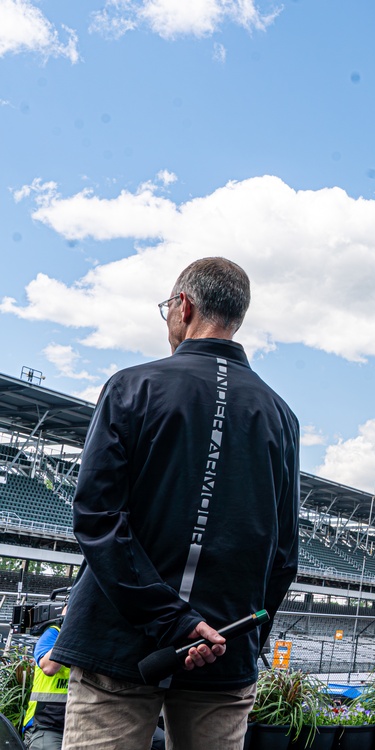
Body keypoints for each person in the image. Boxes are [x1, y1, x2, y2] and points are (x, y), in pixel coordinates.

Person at [51, 258, 301, 750]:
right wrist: (233, 633)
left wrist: (173, 622)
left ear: (183, 307)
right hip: (222, 650)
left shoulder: (133, 385)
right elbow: (284, 554)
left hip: (118, 642)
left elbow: (98, 518)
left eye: (167, 307)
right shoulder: (281, 416)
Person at [24, 603, 70, 749]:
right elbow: (49, 667)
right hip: (45, 724)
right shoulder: (53, 632)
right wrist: (70, 625)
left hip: (80, 724)